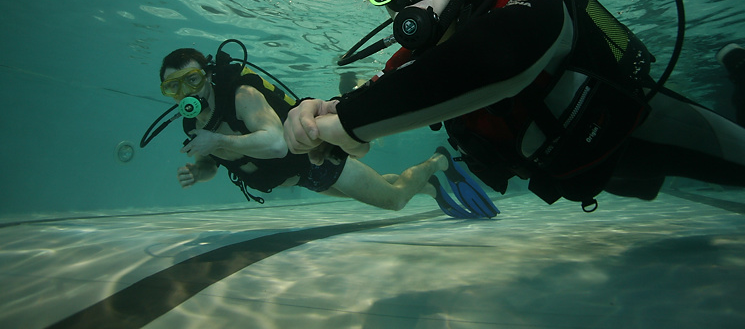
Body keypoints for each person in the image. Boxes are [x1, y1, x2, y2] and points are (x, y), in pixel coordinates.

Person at [283, 0, 745, 211]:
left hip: (640, 127)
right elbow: (381, 99)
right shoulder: (413, 62)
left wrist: (346, 122)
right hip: (583, 164)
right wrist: (320, 113)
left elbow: (504, 56)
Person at [156, 46, 498, 218]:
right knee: (381, 187)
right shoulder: (193, 123)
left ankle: (437, 162)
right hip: (305, 178)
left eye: (192, 80)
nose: (186, 92)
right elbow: (215, 162)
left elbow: (275, 143)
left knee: (393, 200)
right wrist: (197, 171)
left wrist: (217, 140)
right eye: (173, 87)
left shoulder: (241, 96)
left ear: (208, 75)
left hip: (316, 162)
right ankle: (429, 186)